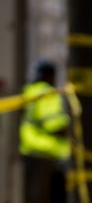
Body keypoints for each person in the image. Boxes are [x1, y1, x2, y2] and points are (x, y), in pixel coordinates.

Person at [19, 60, 70, 203]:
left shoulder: (29, 91)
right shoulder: (47, 92)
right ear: (50, 76)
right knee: (51, 196)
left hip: (30, 148)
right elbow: (55, 125)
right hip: (48, 151)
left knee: (33, 196)